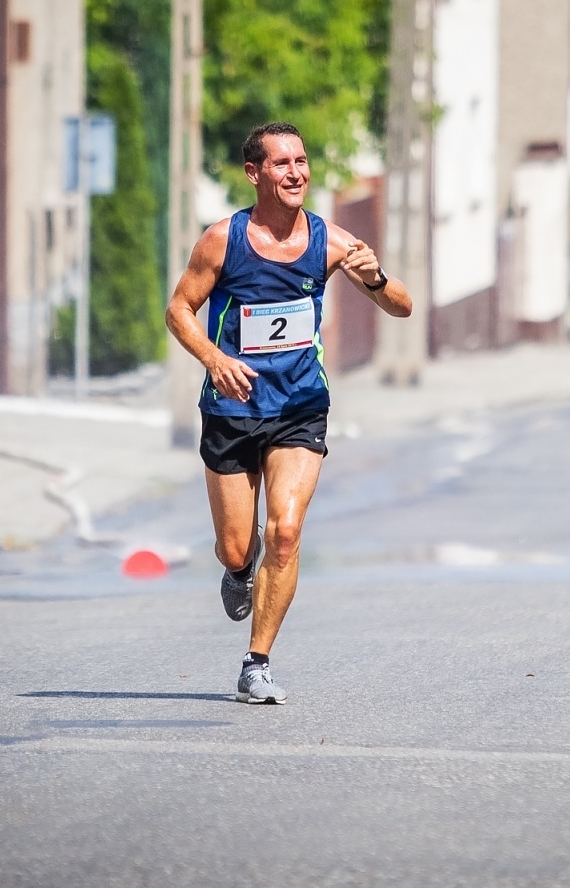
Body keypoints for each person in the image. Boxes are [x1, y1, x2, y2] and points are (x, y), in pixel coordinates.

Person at [165, 122, 413, 705]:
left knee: (286, 531)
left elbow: (400, 305)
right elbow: (179, 309)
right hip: (233, 407)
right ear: (255, 174)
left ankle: (257, 662)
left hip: (301, 405)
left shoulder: (329, 241)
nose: (297, 172)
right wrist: (212, 357)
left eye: (302, 161)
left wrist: (375, 278)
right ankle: (235, 570)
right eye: (282, 164)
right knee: (237, 547)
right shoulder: (223, 240)